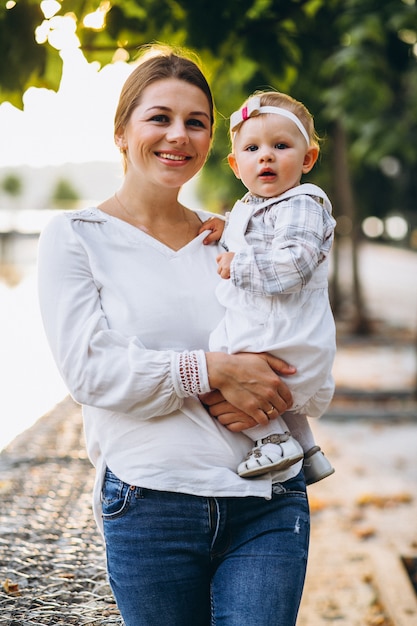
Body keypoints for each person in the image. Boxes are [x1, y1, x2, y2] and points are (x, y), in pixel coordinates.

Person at [37, 45, 310, 626]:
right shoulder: (75, 237)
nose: (178, 136)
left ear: (214, 141)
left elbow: (295, 340)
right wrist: (212, 370)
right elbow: (91, 372)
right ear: (121, 131)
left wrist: (274, 384)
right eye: (159, 118)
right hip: (150, 503)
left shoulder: (234, 238)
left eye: (196, 122)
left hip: (267, 502)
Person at [200, 90, 336, 483]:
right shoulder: (257, 205)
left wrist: (236, 263)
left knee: (221, 358)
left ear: (307, 158)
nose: (266, 156)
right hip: (286, 335)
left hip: (284, 334)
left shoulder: (301, 204)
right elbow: (259, 232)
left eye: (281, 145)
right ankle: (309, 450)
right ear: (235, 164)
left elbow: (293, 263)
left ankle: (275, 441)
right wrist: (228, 228)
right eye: (252, 148)